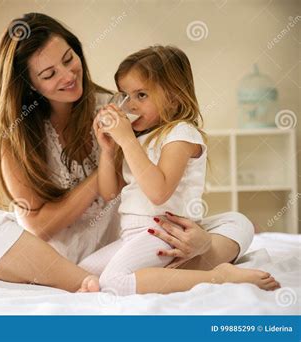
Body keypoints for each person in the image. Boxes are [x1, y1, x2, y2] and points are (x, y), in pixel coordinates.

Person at [0, 13, 271, 294]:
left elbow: (158, 177)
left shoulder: (115, 107)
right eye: (49, 74)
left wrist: (201, 240)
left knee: (236, 222)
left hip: (126, 243)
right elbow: (40, 227)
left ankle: (129, 275)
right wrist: (107, 157)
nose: (67, 75)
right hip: (51, 257)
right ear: (29, 86)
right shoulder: (15, 134)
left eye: (68, 58)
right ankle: (86, 281)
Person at [77, 46, 280, 295]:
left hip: (162, 231)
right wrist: (108, 150)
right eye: (125, 95)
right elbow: (110, 195)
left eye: (141, 95)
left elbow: (159, 192)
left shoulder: (180, 134)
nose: (130, 105)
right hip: (133, 234)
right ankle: (183, 274)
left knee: (114, 281)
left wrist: (127, 141)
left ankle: (220, 277)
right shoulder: (136, 140)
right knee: (81, 271)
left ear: (174, 97)